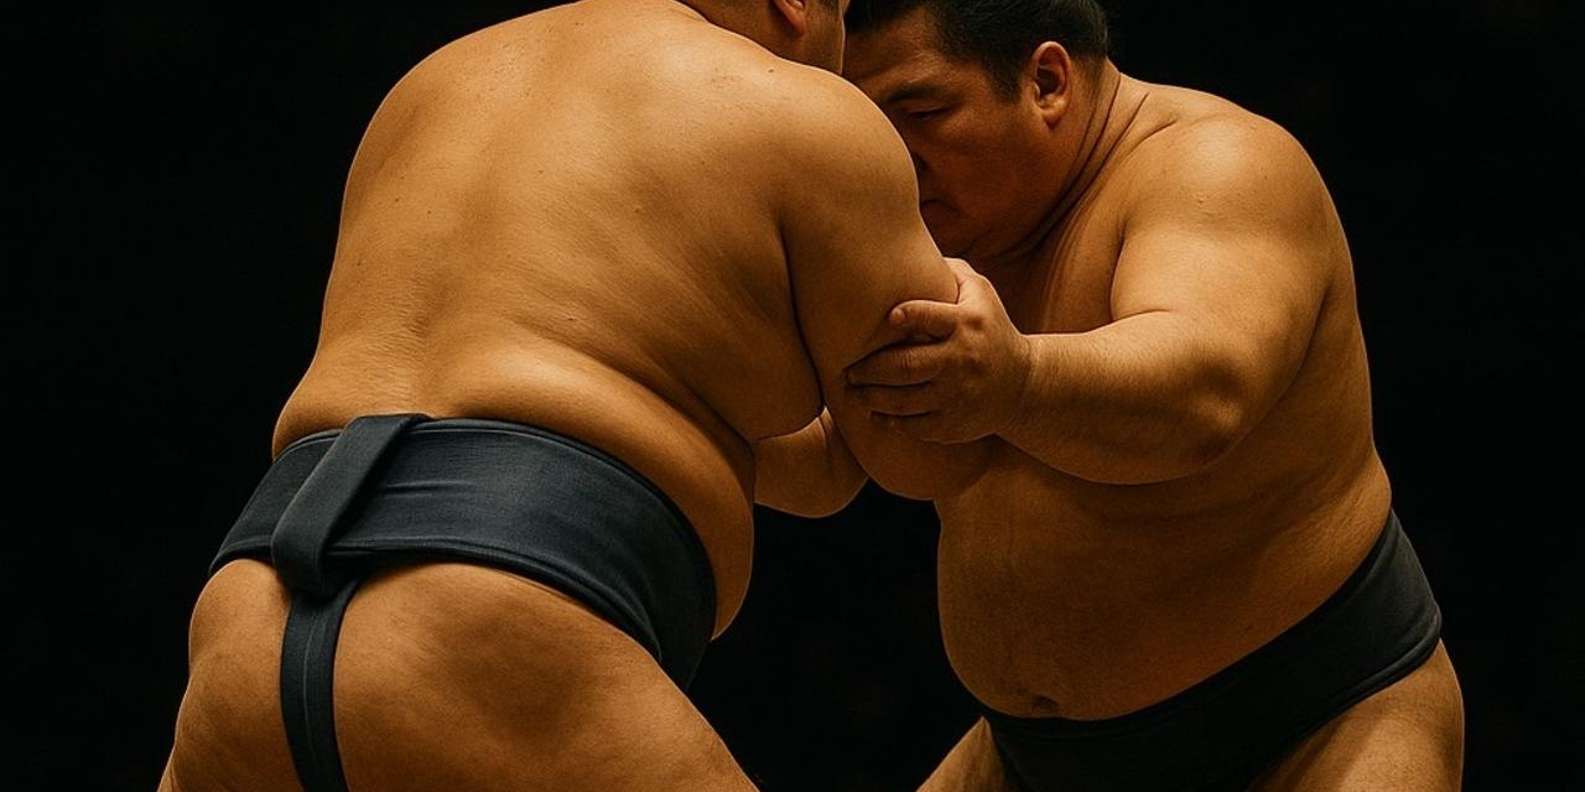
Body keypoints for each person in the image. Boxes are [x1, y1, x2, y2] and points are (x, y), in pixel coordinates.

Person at [156, 0, 992, 789]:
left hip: (247, 627)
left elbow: (562, 410)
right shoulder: (805, 109)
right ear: (796, 4)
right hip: (498, 631)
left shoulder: (429, 84)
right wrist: (976, 328)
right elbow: (919, 449)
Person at [772, 0, 1465, 788]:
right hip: (1030, 757)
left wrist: (1017, 382)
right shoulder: (928, 226)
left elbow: (1201, 399)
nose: (893, 157)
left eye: (922, 110)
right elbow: (834, 456)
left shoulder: (1217, 165)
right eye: (864, 125)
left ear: (1045, 81)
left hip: (1313, 728)